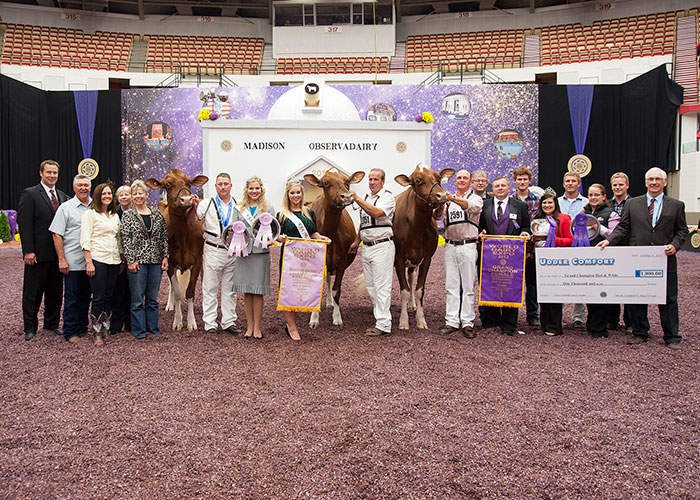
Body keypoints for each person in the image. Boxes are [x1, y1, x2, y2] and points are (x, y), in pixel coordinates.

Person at [598, 167, 688, 350]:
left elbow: (682, 230)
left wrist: (675, 245)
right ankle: (640, 332)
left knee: (668, 299)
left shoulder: (676, 205)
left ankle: (671, 336)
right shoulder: (634, 204)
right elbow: (623, 228)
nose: (654, 182)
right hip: (637, 259)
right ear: (646, 182)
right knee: (637, 297)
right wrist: (609, 241)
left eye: (657, 179)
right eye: (650, 179)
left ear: (664, 182)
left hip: (665, 260)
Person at [17, 159, 69, 341]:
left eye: (55, 173)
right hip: (37, 255)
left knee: (55, 292)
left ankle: (52, 323)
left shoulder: (63, 196)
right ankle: (29, 327)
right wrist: (28, 251)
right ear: (41, 173)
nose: (52, 176)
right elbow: (24, 224)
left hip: (58, 255)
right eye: (49, 172)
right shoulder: (30, 194)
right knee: (33, 293)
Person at [276, 179, 330, 341]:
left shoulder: (309, 213)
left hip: (306, 259)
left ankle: (292, 323)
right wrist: (280, 238)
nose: (295, 195)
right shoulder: (282, 215)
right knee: (288, 290)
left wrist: (322, 238)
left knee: (300, 289)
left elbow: (313, 233)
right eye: (292, 193)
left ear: (302, 193)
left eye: (298, 192)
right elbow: (275, 235)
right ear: (287, 194)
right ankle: (291, 327)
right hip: (290, 259)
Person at [478, 176, 531, 336]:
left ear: (509, 188)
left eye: (503, 186)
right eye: (496, 186)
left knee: (511, 286)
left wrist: (525, 233)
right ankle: (490, 321)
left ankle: (509, 324)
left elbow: (526, 226)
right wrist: (481, 232)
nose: (500, 188)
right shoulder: (484, 205)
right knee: (489, 284)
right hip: (489, 256)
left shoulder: (520, 206)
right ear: (492, 190)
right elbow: (480, 226)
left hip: (512, 257)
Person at [433, 169, 483, 338]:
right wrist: (440, 205)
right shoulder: (448, 202)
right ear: (455, 182)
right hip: (450, 245)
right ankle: (452, 321)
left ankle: (468, 322)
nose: (461, 180)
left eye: (465, 178)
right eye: (459, 178)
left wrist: (450, 198)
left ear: (470, 182)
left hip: (467, 244)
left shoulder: (474, 197)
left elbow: (471, 207)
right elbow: (438, 217)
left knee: (468, 286)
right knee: (451, 285)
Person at [120, 180, 169, 340]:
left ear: (147, 195)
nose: (138, 196)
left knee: (153, 298)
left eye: (141, 193)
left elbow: (163, 238)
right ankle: (139, 331)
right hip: (137, 262)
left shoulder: (156, 214)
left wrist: (165, 256)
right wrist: (131, 260)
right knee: (137, 299)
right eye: (135, 194)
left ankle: (153, 328)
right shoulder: (128, 215)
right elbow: (125, 239)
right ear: (132, 197)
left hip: (155, 261)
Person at [349, 168, 395, 337]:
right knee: (371, 286)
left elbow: (376, 213)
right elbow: (364, 221)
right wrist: (356, 241)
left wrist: (357, 199)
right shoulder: (368, 198)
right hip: (367, 246)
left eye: (376, 179)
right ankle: (380, 320)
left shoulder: (387, 197)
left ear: (383, 181)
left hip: (382, 245)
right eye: (370, 179)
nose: (372, 182)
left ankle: (384, 325)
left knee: (382, 286)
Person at [194, 173, 241, 335]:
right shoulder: (206, 203)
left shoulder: (238, 205)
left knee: (230, 289)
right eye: (220, 184)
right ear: (215, 186)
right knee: (210, 288)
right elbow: (194, 219)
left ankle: (228, 321)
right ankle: (210, 323)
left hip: (233, 250)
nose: (223, 187)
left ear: (231, 186)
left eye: (226, 184)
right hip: (213, 248)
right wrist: (193, 206)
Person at [49, 174, 92, 343]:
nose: (83, 188)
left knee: (86, 296)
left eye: (86, 185)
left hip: (90, 262)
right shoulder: (65, 208)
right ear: (74, 188)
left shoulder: (95, 207)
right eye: (80, 185)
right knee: (72, 297)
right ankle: (70, 331)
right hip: (73, 261)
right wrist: (61, 259)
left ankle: (82, 327)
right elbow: (57, 235)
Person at [231, 176, 275, 339]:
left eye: (257, 188)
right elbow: (232, 229)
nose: (254, 191)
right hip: (243, 253)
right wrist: (234, 245)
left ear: (261, 189)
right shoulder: (238, 208)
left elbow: (273, 230)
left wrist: (271, 240)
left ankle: (257, 327)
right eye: (251, 188)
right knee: (246, 292)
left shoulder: (268, 208)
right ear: (246, 190)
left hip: (260, 254)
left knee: (257, 292)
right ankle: (249, 326)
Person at [80, 183, 122, 346]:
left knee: (109, 295)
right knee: (98, 296)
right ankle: (96, 331)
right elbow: (85, 240)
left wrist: (121, 258)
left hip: (113, 260)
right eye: (104, 194)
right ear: (98, 196)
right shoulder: (90, 214)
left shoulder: (114, 215)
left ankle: (106, 327)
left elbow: (118, 239)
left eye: (109, 194)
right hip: (98, 258)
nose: (107, 196)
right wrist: (88, 262)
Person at [532, 189, 573, 336]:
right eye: (544, 202)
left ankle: (555, 326)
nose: (547, 205)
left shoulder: (564, 218)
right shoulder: (536, 219)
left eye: (550, 202)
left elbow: (571, 240)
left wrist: (553, 241)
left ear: (555, 203)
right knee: (542, 293)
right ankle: (545, 324)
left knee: (555, 293)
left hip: (556, 261)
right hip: (539, 259)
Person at [583, 184, 620, 339]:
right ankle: (591, 324)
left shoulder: (610, 214)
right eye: (591, 195)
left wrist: (599, 227)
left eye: (596, 195)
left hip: (602, 257)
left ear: (604, 196)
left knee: (601, 292)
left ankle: (600, 328)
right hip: (586, 256)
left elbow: (615, 234)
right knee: (589, 292)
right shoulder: (584, 212)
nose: (593, 198)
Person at [557, 172, 588, 329]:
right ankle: (558, 314)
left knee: (580, 279)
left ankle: (578, 317)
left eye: (573, 181)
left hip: (581, 244)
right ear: (563, 184)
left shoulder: (587, 203)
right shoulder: (556, 203)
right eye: (567, 181)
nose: (570, 183)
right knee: (559, 279)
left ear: (579, 184)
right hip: (561, 245)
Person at [511, 166, 540, 326]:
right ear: (515, 181)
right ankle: (512, 314)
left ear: (529, 181)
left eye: (524, 179)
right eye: (519, 179)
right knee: (513, 281)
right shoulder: (510, 200)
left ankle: (533, 314)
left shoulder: (537, 200)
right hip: (514, 248)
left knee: (532, 283)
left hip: (532, 246)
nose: (522, 182)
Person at [608, 172, 632, 333]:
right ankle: (612, 320)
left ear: (627, 186)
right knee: (611, 284)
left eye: (620, 184)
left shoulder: (635, 203)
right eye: (615, 185)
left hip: (629, 247)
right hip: (610, 248)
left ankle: (630, 321)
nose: (617, 187)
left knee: (629, 285)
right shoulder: (607, 204)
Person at [111, 185, 132, 335]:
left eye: (127, 194)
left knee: (132, 292)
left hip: (134, 259)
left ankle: (131, 323)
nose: (124, 197)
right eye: (121, 195)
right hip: (118, 258)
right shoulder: (113, 213)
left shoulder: (138, 212)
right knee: (118, 292)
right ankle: (116, 324)